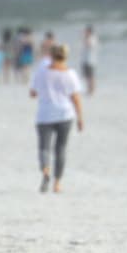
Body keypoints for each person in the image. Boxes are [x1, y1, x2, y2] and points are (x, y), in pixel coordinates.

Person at [30, 43, 84, 193]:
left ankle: (46, 170)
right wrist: (80, 118)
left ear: (51, 55)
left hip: (44, 115)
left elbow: (32, 93)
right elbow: (76, 98)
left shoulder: (41, 72)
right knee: (61, 149)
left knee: (44, 148)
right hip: (65, 115)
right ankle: (57, 183)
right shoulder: (70, 74)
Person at [80, 25, 98, 96]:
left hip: (90, 60)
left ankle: (92, 90)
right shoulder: (88, 38)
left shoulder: (92, 38)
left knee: (91, 76)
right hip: (85, 60)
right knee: (87, 76)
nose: (84, 32)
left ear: (89, 31)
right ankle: (89, 90)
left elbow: (89, 45)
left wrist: (85, 38)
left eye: (86, 31)